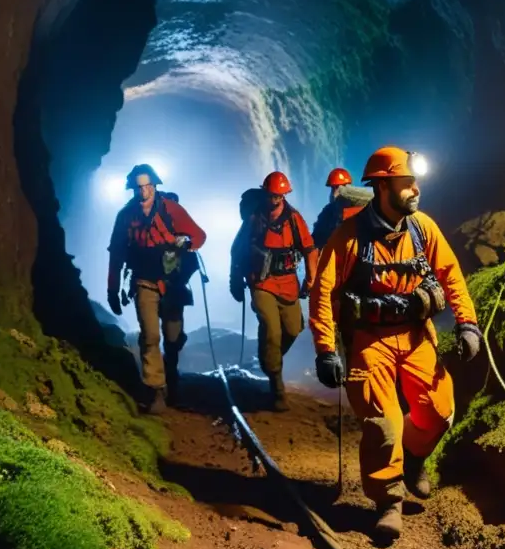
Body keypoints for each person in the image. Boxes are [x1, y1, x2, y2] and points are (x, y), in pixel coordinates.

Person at [309, 146, 483, 542]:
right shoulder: (349, 237)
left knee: (438, 412)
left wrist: (468, 323)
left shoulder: (422, 228)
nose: (415, 190)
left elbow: (451, 275)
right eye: (407, 183)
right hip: (370, 343)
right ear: (383, 186)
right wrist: (326, 349)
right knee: (382, 423)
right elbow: (323, 292)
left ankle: (414, 458)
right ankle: (388, 501)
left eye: (415, 182)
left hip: (417, 334)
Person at [107, 164, 207, 413]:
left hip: (172, 283)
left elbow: (199, 235)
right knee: (150, 336)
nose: (144, 191)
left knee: (172, 338)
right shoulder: (126, 216)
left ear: (155, 185)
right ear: (133, 189)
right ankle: (155, 390)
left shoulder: (170, 209)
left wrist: (186, 241)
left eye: (147, 186)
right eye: (139, 187)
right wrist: (113, 289)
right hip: (143, 281)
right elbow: (116, 254)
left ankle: (171, 378)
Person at [229, 171, 318, 411]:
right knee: (271, 328)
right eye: (272, 196)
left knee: (293, 329)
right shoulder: (254, 218)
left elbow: (309, 249)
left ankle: (269, 356)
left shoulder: (294, 219)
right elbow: (237, 250)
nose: (276, 200)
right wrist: (235, 281)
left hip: (288, 283)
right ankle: (277, 387)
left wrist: (310, 280)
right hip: (261, 282)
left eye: (280, 196)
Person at [311, 167, 373, 249]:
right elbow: (316, 237)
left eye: (337, 188)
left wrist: (343, 191)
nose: (334, 192)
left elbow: (373, 196)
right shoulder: (328, 211)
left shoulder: (359, 206)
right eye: (333, 188)